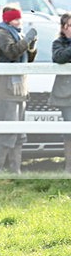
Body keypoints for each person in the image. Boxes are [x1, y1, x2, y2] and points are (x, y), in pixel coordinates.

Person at [0, 5, 37, 173]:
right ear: (8, 20)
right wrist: (26, 41)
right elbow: (11, 53)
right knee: (7, 132)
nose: (18, 21)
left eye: (19, 18)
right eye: (15, 19)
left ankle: (16, 170)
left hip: (19, 90)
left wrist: (31, 45)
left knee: (18, 134)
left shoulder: (18, 34)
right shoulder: (2, 34)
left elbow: (28, 59)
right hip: (5, 89)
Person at [49, 13, 71, 173]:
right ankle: (69, 166)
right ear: (63, 28)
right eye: (68, 26)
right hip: (66, 95)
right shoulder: (58, 43)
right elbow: (59, 57)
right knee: (69, 131)